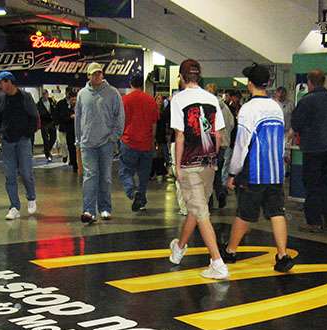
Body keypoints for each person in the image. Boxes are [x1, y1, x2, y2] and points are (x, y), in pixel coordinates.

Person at [221, 65, 294, 273]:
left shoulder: (248, 109)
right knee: (276, 212)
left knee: (244, 213)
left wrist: (233, 173)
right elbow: (280, 141)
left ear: (250, 84)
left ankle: (231, 251)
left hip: (254, 172)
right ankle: (282, 255)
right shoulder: (276, 107)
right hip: (275, 171)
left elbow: (242, 144)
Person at [168, 59, 228, 280]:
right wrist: (213, 159)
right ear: (198, 76)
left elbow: (180, 135)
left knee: (201, 212)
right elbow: (218, 135)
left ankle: (217, 262)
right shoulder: (212, 99)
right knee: (197, 207)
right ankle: (179, 248)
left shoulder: (178, 99)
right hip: (209, 162)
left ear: (182, 78)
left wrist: (177, 166)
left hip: (190, 163)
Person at [291, 69, 327, 232]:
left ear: (310, 83)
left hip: (313, 148)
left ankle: (313, 221)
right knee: (324, 181)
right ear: (324, 81)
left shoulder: (307, 101)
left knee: (312, 184)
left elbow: (296, 124)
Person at [75, 62, 125, 224]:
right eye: (94, 73)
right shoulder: (82, 94)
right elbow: (78, 118)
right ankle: (88, 211)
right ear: (88, 76)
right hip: (87, 143)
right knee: (90, 176)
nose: (97, 76)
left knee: (105, 177)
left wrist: (114, 137)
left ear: (102, 74)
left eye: (99, 73)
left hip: (106, 143)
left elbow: (120, 116)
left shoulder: (112, 93)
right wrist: (78, 139)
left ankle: (105, 208)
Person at [0, 71, 39, 220]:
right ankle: (14, 206)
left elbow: (34, 117)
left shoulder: (25, 97)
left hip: (23, 141)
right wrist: (0, 133)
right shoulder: (0, 99)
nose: (0, 85)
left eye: (2, 82)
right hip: (7, 142)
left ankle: (31, 197)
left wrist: (28, 133)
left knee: (25, 172)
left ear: (9, 82)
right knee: (10, 175)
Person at [119, 75, 159, 212]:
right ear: (142, 84)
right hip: (146, 143)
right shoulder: (151, 100)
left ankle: (133, 192)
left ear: (130, 84)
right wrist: (152, 140)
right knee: (143, 175)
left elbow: (120, 122)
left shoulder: (125, 100)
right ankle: (141, 199)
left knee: (125, 171)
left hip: (129, 142)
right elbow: (154, 124)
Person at [205, 83, 234, 209]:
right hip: (223, 145)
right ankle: (221, 192)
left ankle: (209, 201)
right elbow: (232, 124)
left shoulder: (209, 108)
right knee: (217, 173)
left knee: (208, 174)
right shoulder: (226, 108)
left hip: (211, 144)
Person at [56, 87, 77, 172]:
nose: (74, 101)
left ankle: (74, 162)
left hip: (76, 130)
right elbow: (59, 116)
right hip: (66, 128)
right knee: (65, 144)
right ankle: (71, 160)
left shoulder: (79, 106)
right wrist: (70, 117)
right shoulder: (61, 104)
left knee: (75, 148)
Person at [37, 89, 57, 162]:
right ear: (42, 95)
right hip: (44, 123)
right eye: (43, 94)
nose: (45, 95)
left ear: (48, 94)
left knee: (53, 138)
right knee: (45, 139)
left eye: (46, 94)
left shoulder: (52, 101)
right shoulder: (39, 104)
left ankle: (47, 150)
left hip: (52, 122)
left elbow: (55, 110)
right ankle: (48, 154)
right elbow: (39, 114)